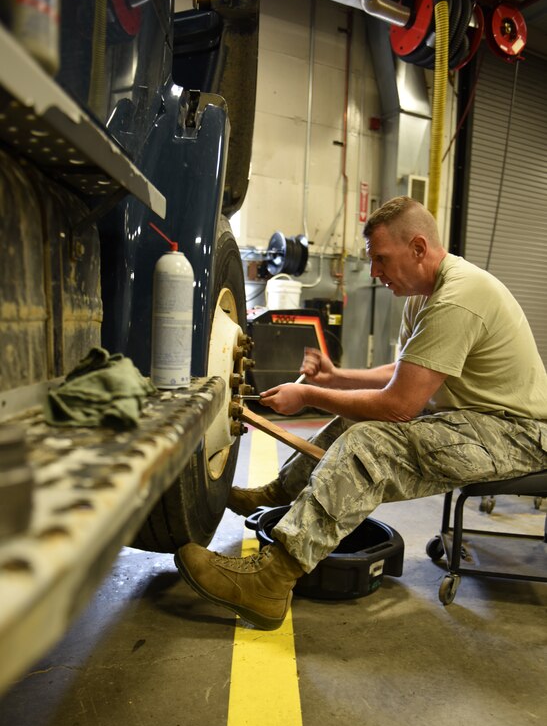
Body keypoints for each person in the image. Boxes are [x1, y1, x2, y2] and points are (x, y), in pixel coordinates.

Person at [175, 196, 547, 630]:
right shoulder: (422, 296)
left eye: (381, 260)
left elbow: (400, 405)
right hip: (476, 418)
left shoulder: (459, 296)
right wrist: (335, 377)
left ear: (419, 248)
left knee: (369, 445)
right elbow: (405, 371)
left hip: (520, 433)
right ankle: (279, 494)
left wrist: (310, 395)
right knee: (357, 420)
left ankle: (271, 582)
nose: (374, 273)